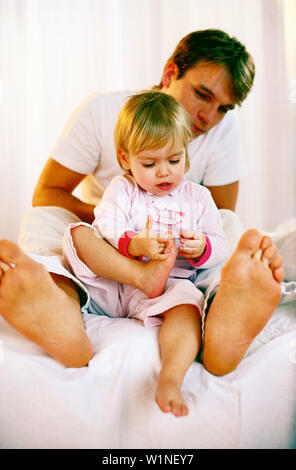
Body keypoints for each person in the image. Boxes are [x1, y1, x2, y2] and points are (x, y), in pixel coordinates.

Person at [0, 28, 291, 377]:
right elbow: (48, 194)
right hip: (107, 239)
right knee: (43, 216)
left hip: (175, 257)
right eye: (202, 95)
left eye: (224, 108)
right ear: (170, 73)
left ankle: (224, 314)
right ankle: (57, 305)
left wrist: (193, 242)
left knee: (229, 223)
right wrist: (125, 227)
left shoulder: (220, 131)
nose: (208, 118)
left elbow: (219, 215)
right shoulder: (103, 111)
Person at [63, 91, 230, 416]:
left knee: (188, 310)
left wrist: (201, 248)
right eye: (150, 164)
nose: (164, 172)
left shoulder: (197, 197)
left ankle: (170, 377)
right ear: (126, 159)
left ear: (186, 154)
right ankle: (133, 278)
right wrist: (135, 245)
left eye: (174, 160)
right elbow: (107, 222)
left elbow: (220, 243)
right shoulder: (122, 189)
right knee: (77, 234)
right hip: (115, 281)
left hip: (166, 289)